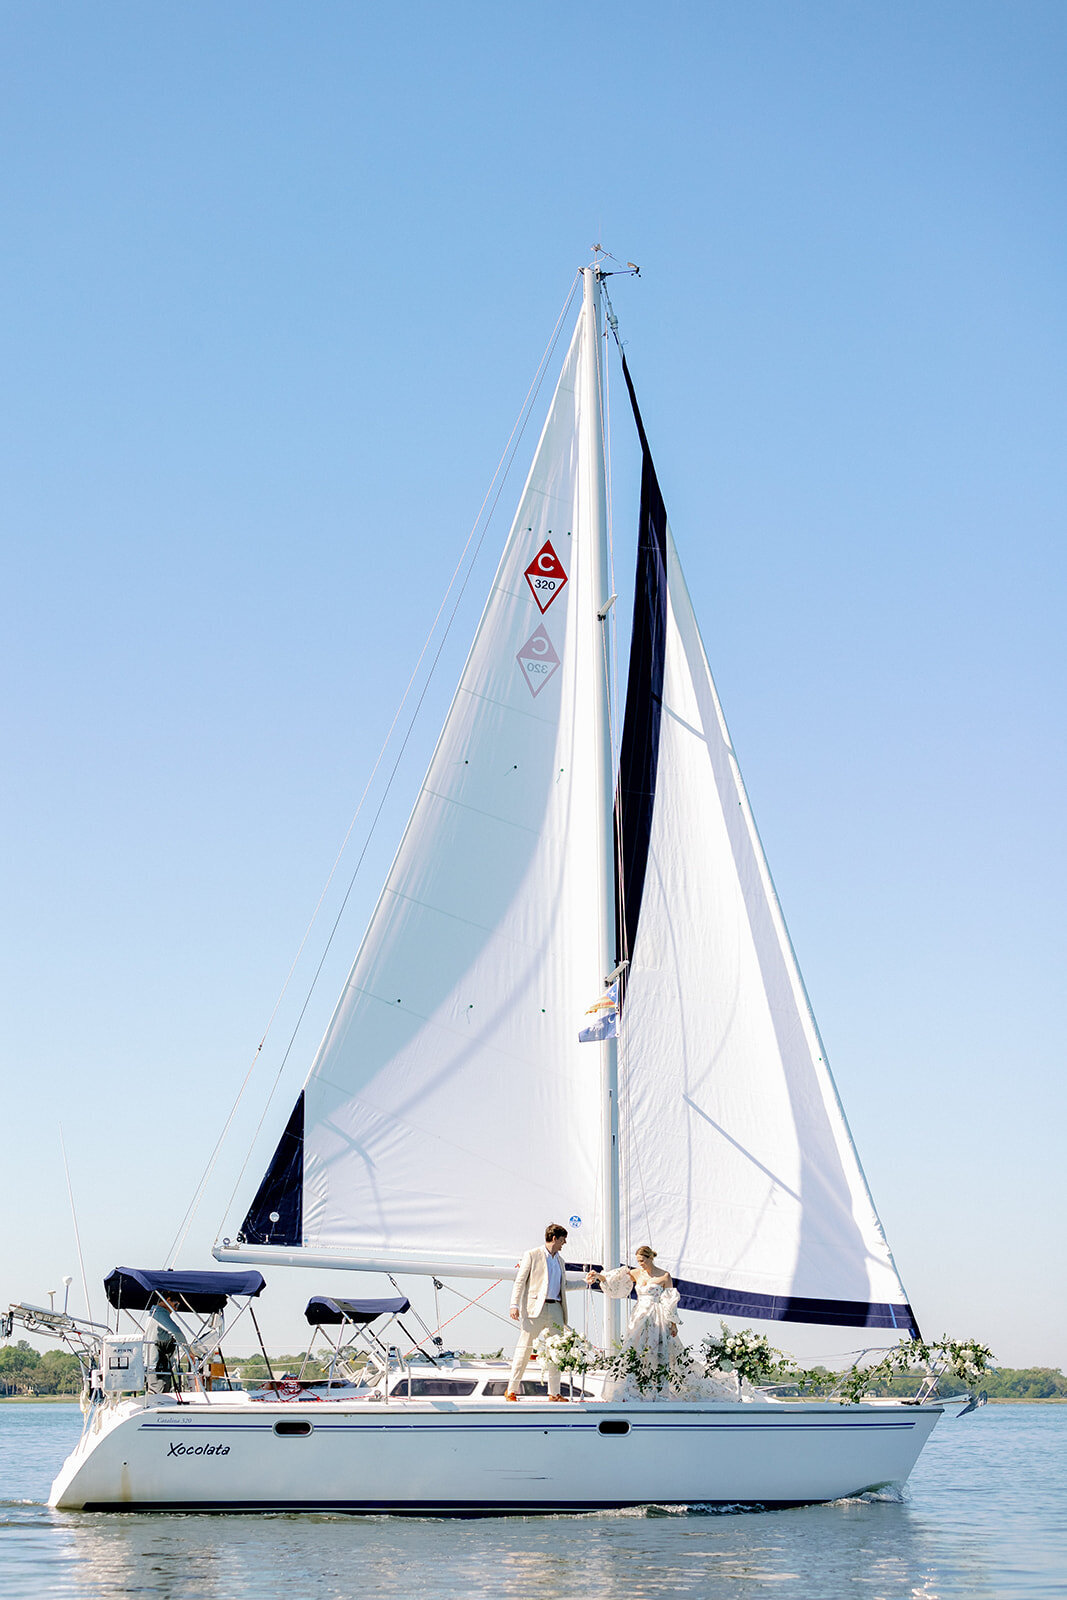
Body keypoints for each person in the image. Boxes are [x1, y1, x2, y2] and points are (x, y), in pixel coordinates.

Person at [506, 1223, 573, 1401]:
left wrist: (586, 1282)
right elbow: (520, 1281)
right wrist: (514, 1305)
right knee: (524, 1348)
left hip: (556, 1308)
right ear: (554, 1238)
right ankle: (511, 1389)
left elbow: (564, 1286)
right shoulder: (532, 1255)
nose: (564, 1243)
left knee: (556, 1351)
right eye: (562, 1239)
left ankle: (554, 1392)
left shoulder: (560, 1261)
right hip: (535, 1309)